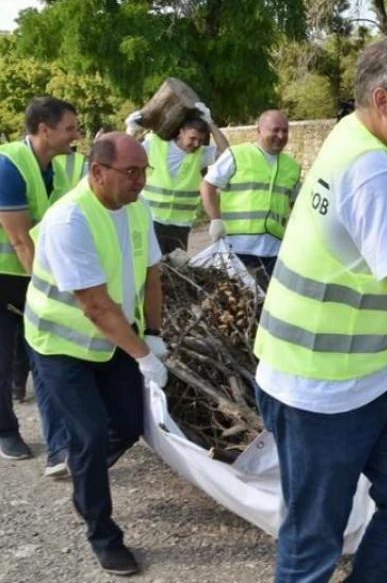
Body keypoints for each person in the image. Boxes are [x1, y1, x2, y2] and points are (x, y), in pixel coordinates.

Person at [252, 35, 387, 583]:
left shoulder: (349, 132)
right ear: (382, 99)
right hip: (321, 389)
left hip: (374, 376)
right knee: (313, 540)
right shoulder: (375, 171)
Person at [24, 132, 168, 576]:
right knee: (86, 434)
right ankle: (102, 532)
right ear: (98, 171)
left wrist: (157, 332)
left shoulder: (137, 208)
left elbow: (152, 276)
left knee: (127, 424)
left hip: (114, 341)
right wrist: (145, 355)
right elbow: (94, 306)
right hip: (62, 346)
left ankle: (85, 473)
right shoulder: (69, 219)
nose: (140, 181)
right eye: (132, 172)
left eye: (144, 171)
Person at [0, 96, 76, 467]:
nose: (75, 136)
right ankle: (5, 431)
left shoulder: (56, 168)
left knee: (44, 359)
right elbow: (18, 240)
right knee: (2, 361)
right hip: (4, 278)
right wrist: (47, 290)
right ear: (44, 130)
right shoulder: (8, 165)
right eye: (69, 129)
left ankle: (59, 447)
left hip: (30, 275)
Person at [200, 110, 300, 279]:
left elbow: (296, 205)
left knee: (267, 303)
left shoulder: (292, 167)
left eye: (285, 131)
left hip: (274, 251)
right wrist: (215, 220)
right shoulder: (236, 155)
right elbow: (207, 185)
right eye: (275, 130)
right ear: (259, 130)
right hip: (238, 248)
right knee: (237, 301)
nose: (281, 135)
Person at [140, 105, 230, 253]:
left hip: (180, 225)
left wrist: (210, 122)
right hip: (151, 220)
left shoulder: (201, 154)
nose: (196, 144)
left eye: (200, 140)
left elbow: (228, 154)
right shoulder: (154, 144)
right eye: (192, 138)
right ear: (180, 132)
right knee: (153, 268)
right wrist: (131, 131)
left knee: (175, 270)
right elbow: (126, 156)